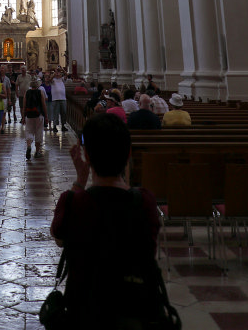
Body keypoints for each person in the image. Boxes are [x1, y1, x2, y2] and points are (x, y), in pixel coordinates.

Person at [50, 114, 160, 329]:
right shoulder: (145, 202)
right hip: (133, 310)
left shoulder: (73, 201)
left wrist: (80, 181)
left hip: (84, 310)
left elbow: (60, 238)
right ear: (128, 154)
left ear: (87, 156)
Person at [24, 77, 48, 159]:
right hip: (39, 115)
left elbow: (24, 105)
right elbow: (44, 105)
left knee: (29, 131)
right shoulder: (40, 92)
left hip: (29, 114)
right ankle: (37, 152)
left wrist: (23, 116)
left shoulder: (27, 92)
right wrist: (46, 116)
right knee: (39, 132)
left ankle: (29, 145)